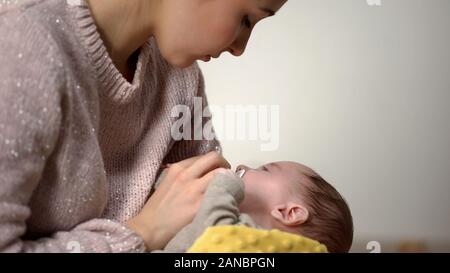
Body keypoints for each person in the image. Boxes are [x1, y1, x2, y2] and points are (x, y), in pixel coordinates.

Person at [0, 0, 287, 252]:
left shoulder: (181, 79)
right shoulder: (21, 46)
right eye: (246, 19)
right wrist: (144, 232)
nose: (240, 49)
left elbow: (209, 226)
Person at [155, 161, 353, 253]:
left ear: (288, 212)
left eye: (264, 170)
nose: (243, 166)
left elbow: (214, 232)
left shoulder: (235, 236)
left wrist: (224, 183)